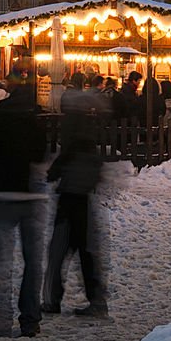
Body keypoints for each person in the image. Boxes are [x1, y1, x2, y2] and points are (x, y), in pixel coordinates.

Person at [0, 71, 47, 338]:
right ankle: (30, 320)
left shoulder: (1, 115)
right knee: (34, 261)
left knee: (2, 261)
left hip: (4, 192)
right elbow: (41, 153)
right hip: (32, 193)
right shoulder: (35, 118)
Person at [42, 88, 109, 318]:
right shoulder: (88, 130)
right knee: (86, 250)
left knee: (59, 249)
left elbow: (67, 154)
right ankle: (97, 299)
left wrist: (54, 171)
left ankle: (52, 299)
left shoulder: (73, 126)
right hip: (82, 193)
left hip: (70, 194)